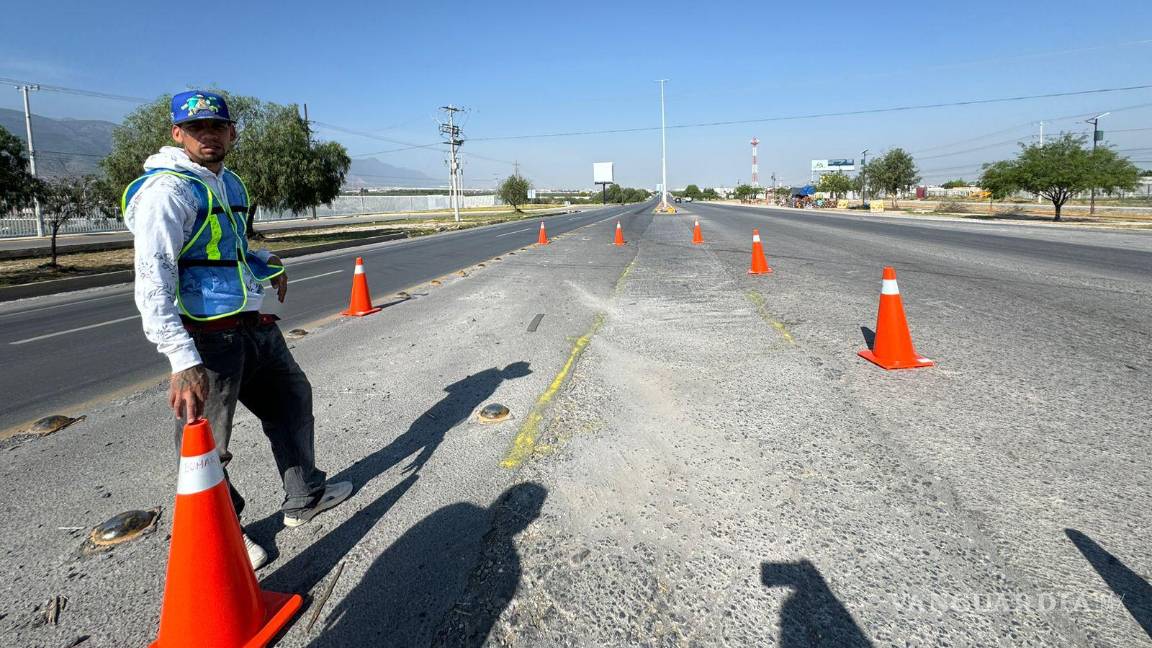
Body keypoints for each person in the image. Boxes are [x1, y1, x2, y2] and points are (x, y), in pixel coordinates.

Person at [123, 90, 351, 569]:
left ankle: (305, 496)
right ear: (177, 134)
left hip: (254, 325)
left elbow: (223, 249)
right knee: (208, 444)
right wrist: (181, 359)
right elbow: (153, 277)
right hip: (207, 339)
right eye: (196, 128)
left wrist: (265, 262)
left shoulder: (226, 184)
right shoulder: (167, 192)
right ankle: (223, 538)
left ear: (232, 133)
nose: (208, 135)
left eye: (217, 127)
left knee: (292, 402)